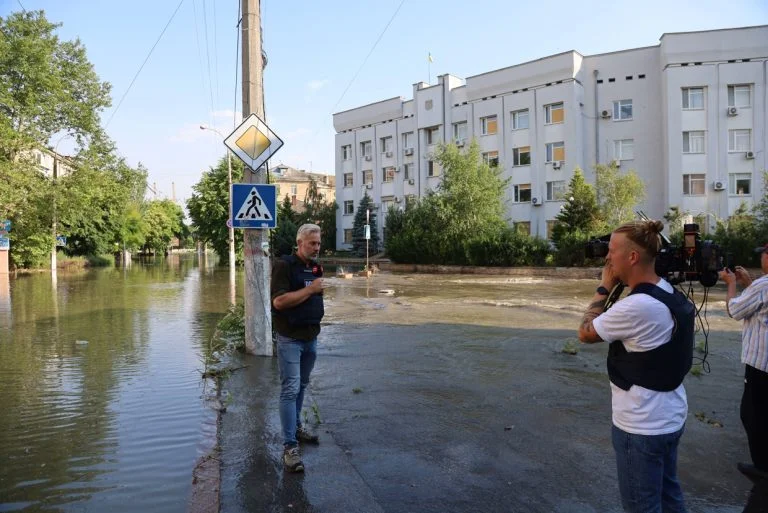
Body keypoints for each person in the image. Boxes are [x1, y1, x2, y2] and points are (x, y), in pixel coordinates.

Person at [578, 220, 694, 513]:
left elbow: (586, 332)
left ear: (631, 257)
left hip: (641, 426)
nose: (607, 257)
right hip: (670, 416)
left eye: (612, 250)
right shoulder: (665, 290)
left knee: (642, 507)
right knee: (669, 497)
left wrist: (604, 287)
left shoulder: (637, 306)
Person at [271, 223, 325, 473]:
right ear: (300, 242)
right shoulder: (284, 266)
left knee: (302, 386)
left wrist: (313, 292)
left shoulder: (315, 267)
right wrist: (311, 289)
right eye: (312, 243)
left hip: (310, 337)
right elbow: (279, 302)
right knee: (290, 389)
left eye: (318, 243)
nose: (317, 247)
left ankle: (296, 428)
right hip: (290, 338)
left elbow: (312, 299)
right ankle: (289, 447)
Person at [719, 245, 768, 491]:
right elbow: (761, 308)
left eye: (763, 254)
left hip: (761, 365)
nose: (761, 257)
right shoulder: (760, 287)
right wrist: (748, 283)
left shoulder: (764, 285)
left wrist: (730, 284)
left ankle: (763, 469)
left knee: (752, 414)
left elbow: (734, 310)